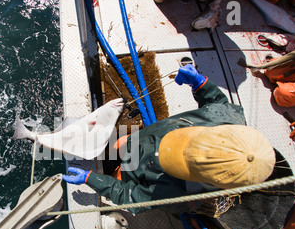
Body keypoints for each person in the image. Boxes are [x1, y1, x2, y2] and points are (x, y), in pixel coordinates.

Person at [63, 64, 277, 216]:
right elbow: (216, 102)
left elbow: (129, 196)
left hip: (138, 173)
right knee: (122, 143)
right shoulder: (230, 120)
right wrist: (201, 84)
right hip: (146, 139)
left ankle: (115, 171)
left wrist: (92, 178)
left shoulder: (175, 191)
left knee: (119, 176)